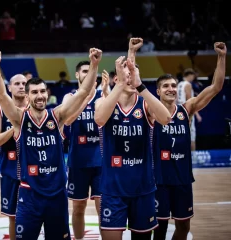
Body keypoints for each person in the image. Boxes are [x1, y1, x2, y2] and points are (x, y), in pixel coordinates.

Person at [0, 48, 102, 239]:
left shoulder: (57, 116)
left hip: (57, 194)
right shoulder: (19, 119)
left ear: (47, 93)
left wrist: (95, 65)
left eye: (42, 91)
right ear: (27, 95)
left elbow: (83, 92)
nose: (40, 96)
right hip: (29, 193)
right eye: (34, 92)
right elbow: (1, 95)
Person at [94, 38, 171, 240]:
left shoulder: (145, 104)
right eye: (124, 76)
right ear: (116, 78)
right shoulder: (105, 102)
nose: (129, 79)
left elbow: (166, 118)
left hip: (143, 188)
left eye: (133, 76)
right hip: (112, 189)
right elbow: (100, 119)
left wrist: (140, 85)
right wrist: (120, 83)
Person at [152, 42, 226, 240]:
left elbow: (216, 87)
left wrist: (221, 57)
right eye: (166, 86)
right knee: (159, 230)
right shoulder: (150, 112)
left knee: (183, 227)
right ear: (157, 91)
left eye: (174, 86)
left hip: (183, 179)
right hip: (159, 181)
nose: (171, 89)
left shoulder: (186, 109)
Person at [61, 60, 104, 240]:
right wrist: (84, 98)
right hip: (78, 161)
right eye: (84, 71)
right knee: (78, 208)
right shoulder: (69, 97)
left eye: (91, 71)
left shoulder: (102, 98)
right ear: (77, 75)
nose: (88, 73)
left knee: (103, 208)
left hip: (100, 162)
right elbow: (67, 120)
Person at [0, 74, 28, 240]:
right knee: (13, 216)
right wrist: (15, 128)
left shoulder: (36, 106)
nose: (21, 86)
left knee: (37, 214)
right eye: (17, 83)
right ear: (9, 88)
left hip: (33, 169)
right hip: (10, 169)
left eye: (24, 83)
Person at [177, 68, 202, 157]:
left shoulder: (178, 84)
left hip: (178, 111)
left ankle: (181, 155)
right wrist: (197, 114)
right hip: (187, 112)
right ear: (190, 75)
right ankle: (193, 157)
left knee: (180, 134)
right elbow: (190, 101)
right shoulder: (188, 84)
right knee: (191, 135)